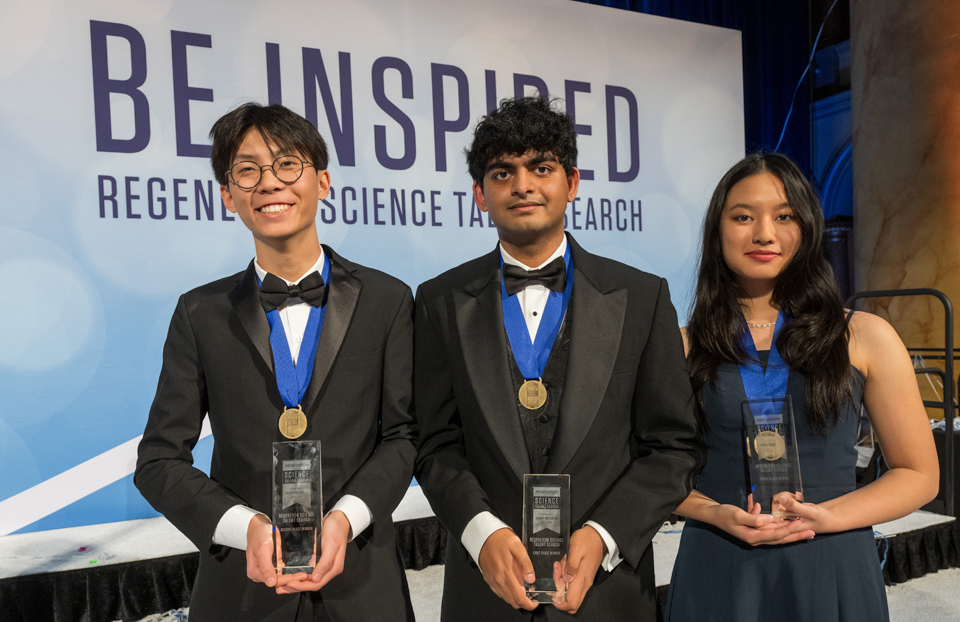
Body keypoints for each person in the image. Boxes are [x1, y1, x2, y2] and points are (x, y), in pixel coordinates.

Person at [414, 96, 702, 621]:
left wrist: (604, 533)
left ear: (571, 182)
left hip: (608, 591)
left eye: (540, 168)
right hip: (486, 590)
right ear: (480, 194)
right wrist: (482, 533)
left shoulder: (641, 296)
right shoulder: (438, 301)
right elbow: (435, 444)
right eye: (503, 172)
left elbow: (674, 446)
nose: (522, 185)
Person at [135, 103, 417, 622]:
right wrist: (243, 527)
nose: (269, 183)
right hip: (242, 591)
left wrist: (345, 519)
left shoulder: (389, 300)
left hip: (362, 584)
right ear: (227, 195)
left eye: (288, 164)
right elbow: (158, 462)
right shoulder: (200, 313)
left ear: (323, 181)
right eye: (247, 170)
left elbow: (404, 437)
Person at [664, 152, 939, 621]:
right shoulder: (681, 346)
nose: (764, 233)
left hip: (832, 561)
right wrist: (713, 512)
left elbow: (918, 474)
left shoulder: (865, 336)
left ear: (808, 227)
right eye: (743, 217)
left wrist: (829, 516)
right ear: (717, 231)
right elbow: (648, 471)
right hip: (719, 561)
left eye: (784, 215)